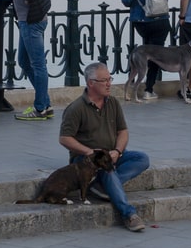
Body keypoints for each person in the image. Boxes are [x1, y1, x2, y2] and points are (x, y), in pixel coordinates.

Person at [59, 61, 150, 233]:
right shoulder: (76, 108)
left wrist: (117, 151)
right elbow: (64, 138)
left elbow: (123, 131)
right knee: (107, 170)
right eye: (104, 80)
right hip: (89, 159)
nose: (109, 84)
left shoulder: (113, 103)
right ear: (90, 83)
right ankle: (129, 214)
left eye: (110, 79)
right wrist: (89, 152)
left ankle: (100, 187)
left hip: (111, 154)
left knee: (142, 158)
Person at [120, 0, 170, 100]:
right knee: (156, 55)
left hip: (143, 22)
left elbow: (126, 0)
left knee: (144, 54)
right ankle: (149, 89)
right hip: (161, 21)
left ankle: (131, 88)